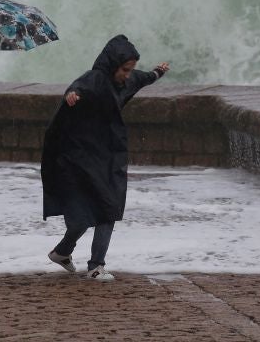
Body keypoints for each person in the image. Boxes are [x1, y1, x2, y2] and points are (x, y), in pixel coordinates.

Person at [40, 34, 169, 281]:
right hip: (79, 157)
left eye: (130, 70)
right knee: (81, 218)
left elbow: (144, 79)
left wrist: (157, 72)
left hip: (107, 155)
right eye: (124, 70)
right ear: (113, 65)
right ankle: (73, 256)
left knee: (107, 207)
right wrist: (71, 96)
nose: (128, 75)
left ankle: (87, 262)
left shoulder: (125, 81)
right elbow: (75, 88)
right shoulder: (95, 79)